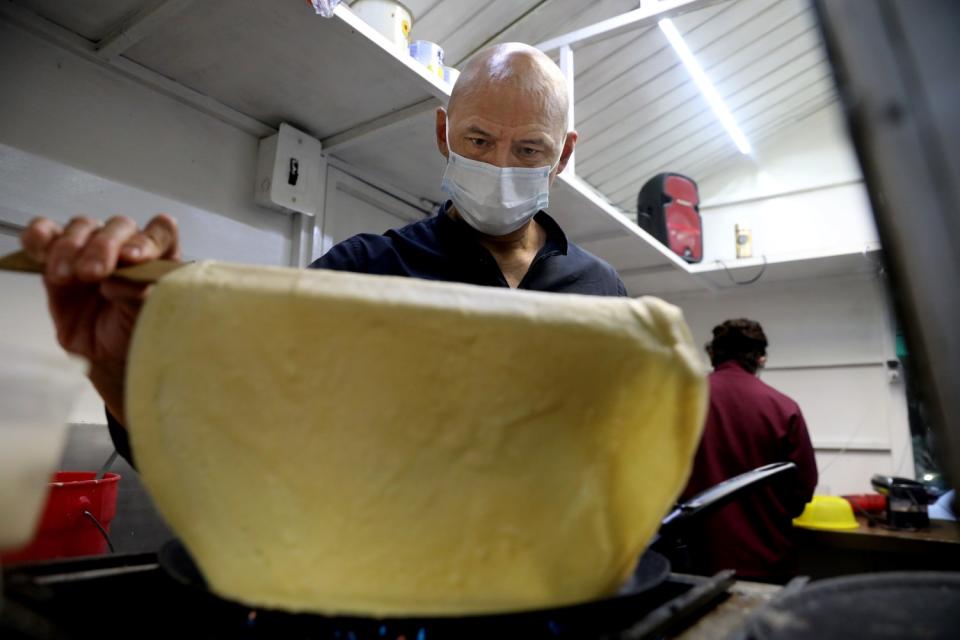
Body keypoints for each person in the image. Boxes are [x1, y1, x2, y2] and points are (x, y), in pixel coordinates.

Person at [18, 43, 626, 465]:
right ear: (444, 134)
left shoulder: (603, 293)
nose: (499, 165)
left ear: (564, 154)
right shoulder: (362, 272)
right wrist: (125, 377)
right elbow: (237, 434)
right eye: (478, 140)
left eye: (528, 150)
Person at [679, 319, 818, 582]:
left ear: (711, 353)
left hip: (696, 563)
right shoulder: (784, 407)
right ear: (760, 358)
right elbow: (803, 490)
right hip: (768, 562)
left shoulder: (680, 402)